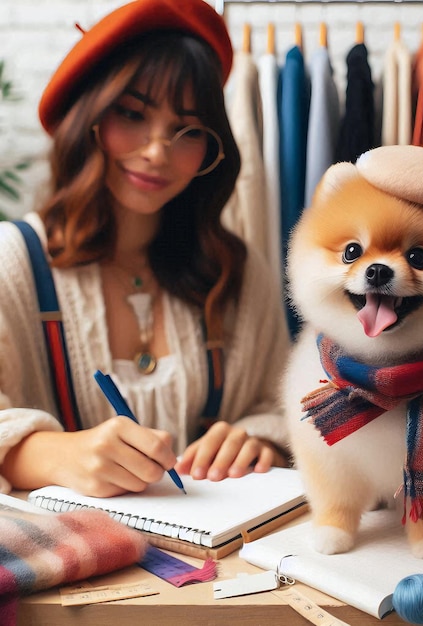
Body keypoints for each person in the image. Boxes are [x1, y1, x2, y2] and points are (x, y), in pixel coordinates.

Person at [0, 0, 291, 497]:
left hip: (224, 565)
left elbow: (286, 406)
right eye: (132, 114)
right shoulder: (14, 262)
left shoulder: (239, 271)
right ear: (88, 119)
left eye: (188, 131)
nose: (157, 151)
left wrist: (263, 441)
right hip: (78, 567)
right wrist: (57, 453)